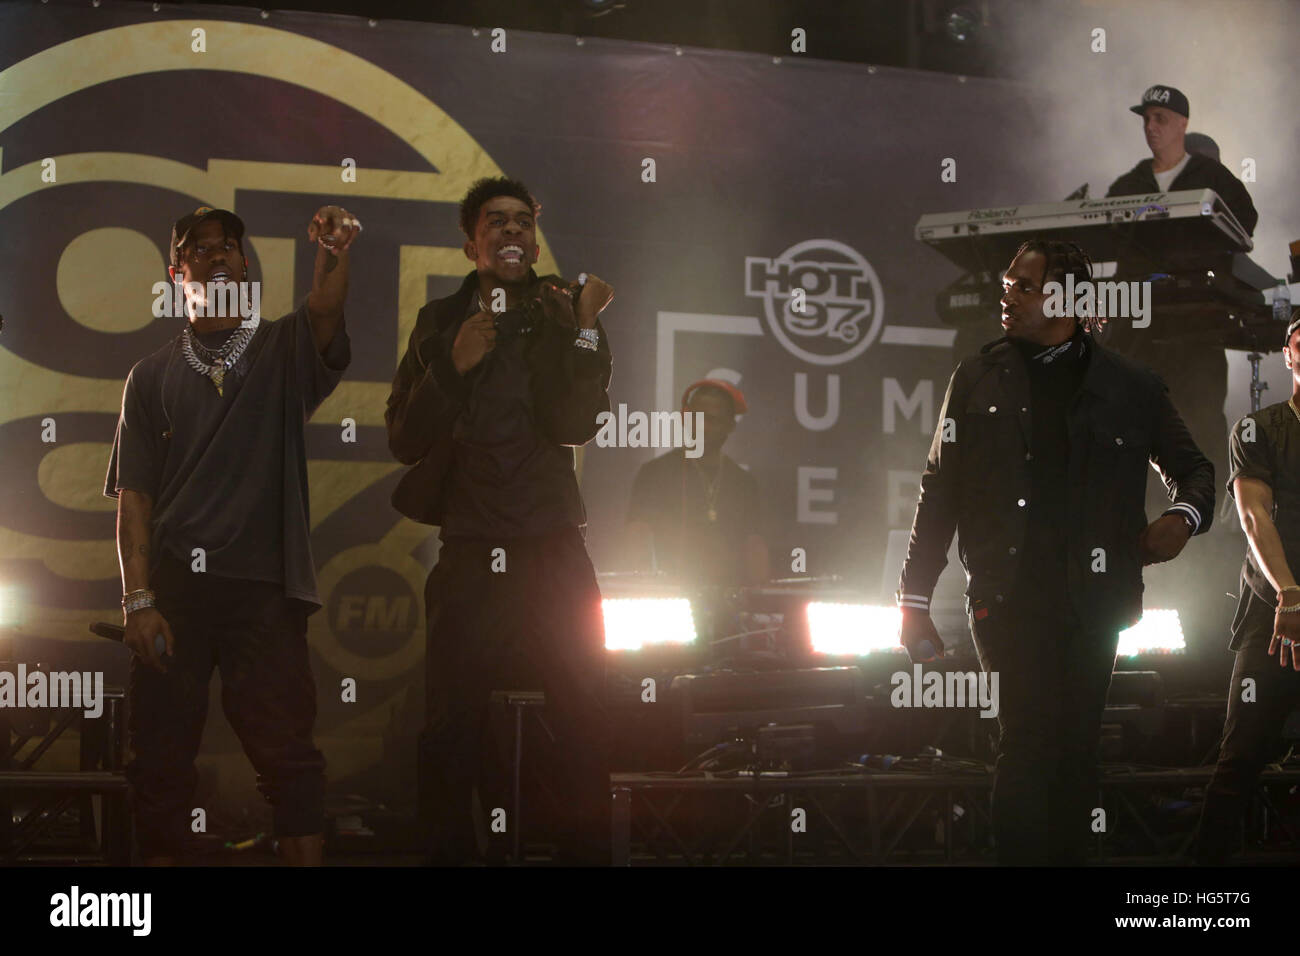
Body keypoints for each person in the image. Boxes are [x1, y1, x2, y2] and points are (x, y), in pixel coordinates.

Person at [896, 238, 1215, 865]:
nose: (1005, 293)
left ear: (1066, 296)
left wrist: (1183, 516)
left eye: (1022, 284)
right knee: (1026, 741)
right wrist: (912, 598)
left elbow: (1197, 471)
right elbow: (941, 488)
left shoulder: (1130, 385)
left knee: (1074, 750)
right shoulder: (977, 375)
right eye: (1006, 282)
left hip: (1095, 599)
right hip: (1006, 596)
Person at [104, 203, 360, 865]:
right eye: (199, 246)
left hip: (263, 589)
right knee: (158, 763)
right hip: (175, 594)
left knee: (289, 758)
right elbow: (134, 501)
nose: (217, 254)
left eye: (229, 246)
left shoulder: (281, 349)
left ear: (245, 265)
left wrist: (332, 253)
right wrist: (138, 600)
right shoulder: (151, 375)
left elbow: (326, 311)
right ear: (176, 268)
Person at [385, 176, 615, 865]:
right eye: (497, 223)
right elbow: (404, 440)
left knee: (584, 711)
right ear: (472, 243)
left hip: (550, 542)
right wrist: (452, 368)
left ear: (534, 239)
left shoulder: (563, 311)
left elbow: (577, 425)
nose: (512, 233)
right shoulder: (439, 322)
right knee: (451, 723)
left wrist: (583, 328)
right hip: (472, 543)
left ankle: (583, 856)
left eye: (522, 223)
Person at [1194, 309, 1300, 865]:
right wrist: (1291, 594)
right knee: (1239, 760)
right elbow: (1256, 517)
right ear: (1288, 354)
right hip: (1273, 616)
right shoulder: (1259, 429)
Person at [624, 379, 770, 587]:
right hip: (670, 598)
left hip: (731, 602)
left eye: (712, 419)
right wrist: (646, 588)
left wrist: (761, 600)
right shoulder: (655, 473)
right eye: (696, 417)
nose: (702, 427)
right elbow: (638, 533)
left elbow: (754, 545)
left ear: (730, 426)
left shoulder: (744, 483)